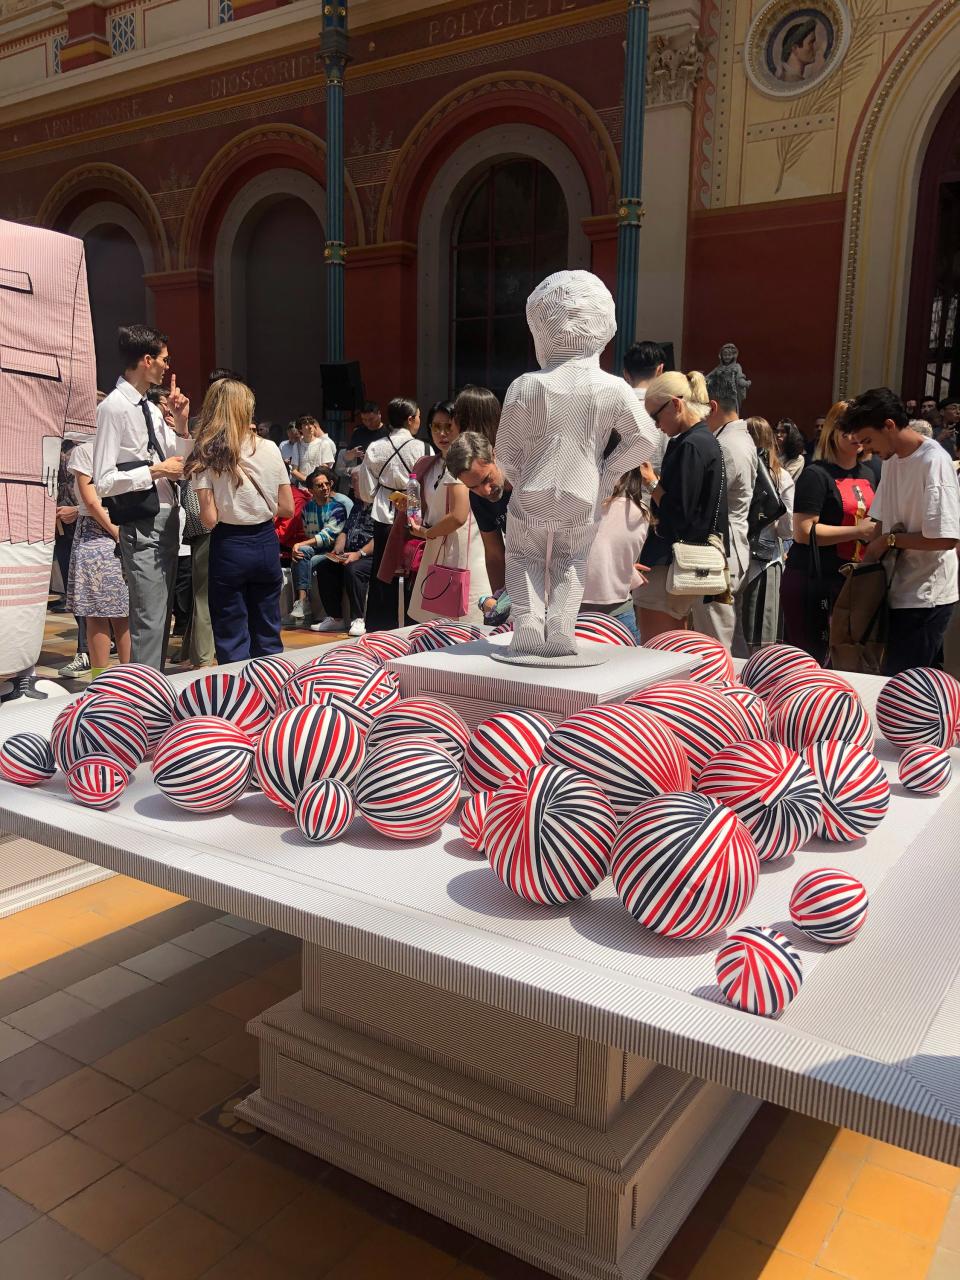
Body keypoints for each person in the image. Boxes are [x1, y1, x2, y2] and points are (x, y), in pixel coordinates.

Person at [93, 325, 192, 671]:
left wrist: (180, 425)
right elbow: (102, 481)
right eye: (164, 359)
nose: (167, 366)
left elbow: (178, 463)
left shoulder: (150, 409)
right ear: (147, 360)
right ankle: (142, 702)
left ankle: (154, 694)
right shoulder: (113, 408)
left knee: (161, 618)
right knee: (149, 619)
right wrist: (153, 472)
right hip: (142, 523)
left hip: (168, 520)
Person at [843, 387, 960, 674]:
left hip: (926, 597)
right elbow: (880, 520)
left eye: (868, 440)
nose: (867, 450)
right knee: (892, 682)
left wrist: (889, 541)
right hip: (894, 590)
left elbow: (945, 538)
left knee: (909, 689)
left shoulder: (934, 460)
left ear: (889, 425)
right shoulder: (892, 461)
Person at [186, 378, 293, 663]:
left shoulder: (206, 453)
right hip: (266, 542)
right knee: (268, 629)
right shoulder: (270, 448)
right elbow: (287, 507)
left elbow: (208, 519)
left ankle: (238, 698)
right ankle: (270, 689)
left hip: (230, 544)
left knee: (231, 634)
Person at [632, 370, 727, 641]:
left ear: (675, 404)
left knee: (657, 648)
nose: (656, 425)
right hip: (681, 562)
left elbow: (678, 513)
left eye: (655, 416)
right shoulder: (705, 442)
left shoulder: (692, 446)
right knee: (675, 645)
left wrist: (652, 483)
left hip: (668, 563)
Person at [780, 402, 878, 663]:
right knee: (809, 660)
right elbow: (803, 531)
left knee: (846, 659)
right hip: (814, 579)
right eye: (848, 428)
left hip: (852, 582)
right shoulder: (816, 474)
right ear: (833, 431)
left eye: (861, 428)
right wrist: (857, 530)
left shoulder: (869, 473)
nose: (855, 436)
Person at [408, 401, 491, 626]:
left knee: (465, 620)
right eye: (436, 427)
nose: (442, 433)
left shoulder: (463, 464)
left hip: (462, 548)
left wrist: (427, 533)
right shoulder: (431, 464)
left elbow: (458, 516)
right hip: (438, 548)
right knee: (436, 623)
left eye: (448, 427)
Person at [691, 377, 759, 654]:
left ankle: (721, 691)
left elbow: (707, 498)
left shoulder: (728, 445)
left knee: (714, 639)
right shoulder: (736, 438)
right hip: (731, 547)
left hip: (721, 552)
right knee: (727, 632)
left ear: (713, 406)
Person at [357, 397, 426, 631]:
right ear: (410, 419)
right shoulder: (423, 448)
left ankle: (378, 628)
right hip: (415, 517)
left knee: (382, 572)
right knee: (413, 571)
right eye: (418, 416)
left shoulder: (375, 447)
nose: (419, 420)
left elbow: (366, 493)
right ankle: (413, 626)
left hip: (384, 514)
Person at [65, 439, 131, 678]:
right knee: (121, 612)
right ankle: (128, 676)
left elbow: (91, 501)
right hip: (123, 525)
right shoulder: (124, 446)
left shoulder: (85, 450)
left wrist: (115, 533)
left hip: (97, 533)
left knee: (98, 612)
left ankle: (100, 679)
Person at [742, 417, 795, 650]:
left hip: (731, 558)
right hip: (764, 561)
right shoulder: (781, 477)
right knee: (761, 639)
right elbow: (787, 528)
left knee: (732, 632)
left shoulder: (732, 470)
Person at [580, 467, 648, 640]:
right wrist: (628, 569)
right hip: (621, 614)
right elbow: (606, 551)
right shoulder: (641, 512)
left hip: (573, 614)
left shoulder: (577, 507)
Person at [446, 431, 511, 594]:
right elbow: (494, 554)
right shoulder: (478, 499)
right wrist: (498, 600)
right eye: (473, 487)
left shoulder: (526, 480)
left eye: (487, 479)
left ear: (494, 455)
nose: (485, 491)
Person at [311, 470, 375, 637]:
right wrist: (338, 549)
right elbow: (345, 531)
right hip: (350, 553)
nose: (352, 486)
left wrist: (359, 554)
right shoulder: (357, 505)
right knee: (325, 566)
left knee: (354, 569)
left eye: (355, 482)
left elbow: (381, 538)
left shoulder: (379, 505)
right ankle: (335, 618)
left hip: (370, 556)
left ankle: (358, 619)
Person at [284, 467, 347, 628]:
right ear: (311, 490)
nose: (325, 488)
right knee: (300, 553)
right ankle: (302, 603)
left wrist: (301, 544)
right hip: (316, 548)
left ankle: (303, 605)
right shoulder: (307, 508)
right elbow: (309, 534)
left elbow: (328, 536)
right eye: (320, 485)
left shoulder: (338, 507)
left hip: (333, 551)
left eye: (327, 484)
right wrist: (301, 546)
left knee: (302, 554)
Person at [54, 439, 90, 677]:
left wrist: (77, 510)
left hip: (91, 525)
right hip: (60, 528)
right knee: (73, 591)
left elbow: (105, 489)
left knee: (86, 593)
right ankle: (92, 645)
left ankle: (85, 651)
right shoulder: (54, 440)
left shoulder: (90, 444)